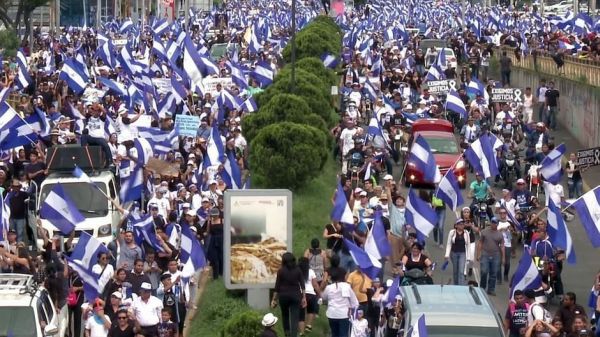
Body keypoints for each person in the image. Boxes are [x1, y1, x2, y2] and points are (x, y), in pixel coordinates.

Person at [271, 252, 306, 337]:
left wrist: (274, 299)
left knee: (285, 315)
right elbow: (302, 284)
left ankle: (287, 334)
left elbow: (277, 287)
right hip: (296, 295)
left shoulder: (281, 271)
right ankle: (294, 335)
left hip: (284, 296)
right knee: (295, 317)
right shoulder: (298, 270)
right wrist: (304, 297)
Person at [321, 265, 359, 337]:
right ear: (343, 277)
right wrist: (351, 309)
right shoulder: (347, 287)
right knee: (343, 334)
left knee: (334, 334)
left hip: (332, 314)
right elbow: (355, 302)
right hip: (344, 315)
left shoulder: (329, 287)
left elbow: (323, 297)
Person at [477, 217, 504, 296]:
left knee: (493, 273)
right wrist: (478, 254)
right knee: (484, 271)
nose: (493, 224)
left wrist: (503, 258)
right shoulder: (484, 232)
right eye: (492, 222)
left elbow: (502, 246)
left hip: (495, 255)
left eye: (495, 223)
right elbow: (480, 243)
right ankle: (482, 288)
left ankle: (491, 289)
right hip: (485, 254)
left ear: (497, 224)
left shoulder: (500, 234)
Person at [444, 219, 472, 286]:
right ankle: (456, 285)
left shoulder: (466, 233)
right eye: (460, 224)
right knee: (455, 271)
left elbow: (468, 245)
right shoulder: (452, 232)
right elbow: (449, 244)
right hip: (454, 253)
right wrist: (447, 254)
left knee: (461, 271)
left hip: (462, 253)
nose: (461, 226)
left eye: (462, 224)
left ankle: (461, 286)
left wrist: (468, 257)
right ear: (456, 225)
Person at [298, 257, 320, 335]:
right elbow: (315, 285)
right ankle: (308, 325)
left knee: (301, 315)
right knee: (311, 311)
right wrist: (319, 294)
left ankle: (301, 332)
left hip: (300, 294)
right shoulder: (311, 271)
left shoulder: (297, 271)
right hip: (311, 294)